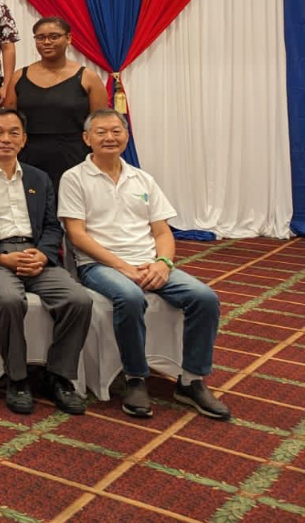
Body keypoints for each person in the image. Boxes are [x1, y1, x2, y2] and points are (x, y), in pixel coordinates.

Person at [60, 109, 230, 420]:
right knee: (130, 296)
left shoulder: (142, 178)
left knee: (205, 298)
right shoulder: (73, 178)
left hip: (149, 262)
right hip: (98, 265)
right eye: (101, 132)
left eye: (116, 131)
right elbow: (77, 235)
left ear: (126, 136)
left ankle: (191, 380)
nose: (109, 137)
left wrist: (163, 263)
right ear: (86, 138)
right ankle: (135, 377)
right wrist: (122, 267)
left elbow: (162, 232)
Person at [0, 108, 91, 415]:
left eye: (14, 133)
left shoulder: (39, 178)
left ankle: (59, 376)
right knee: (9, 299)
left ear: (24, 139)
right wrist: (1, 257)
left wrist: (43, 253)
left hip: (34, 254)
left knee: (78, 299)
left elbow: (53, 226)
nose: (6, 139)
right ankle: (17, 378)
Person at [4, 17, 108, 190]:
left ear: (68, 38)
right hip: (28, 158)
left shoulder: (88, 77)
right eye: (40, 37)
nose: (47, 42)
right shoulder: (18, 77)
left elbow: (101, 125)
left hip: (76, 158)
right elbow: (9, 123)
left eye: (54, 36)